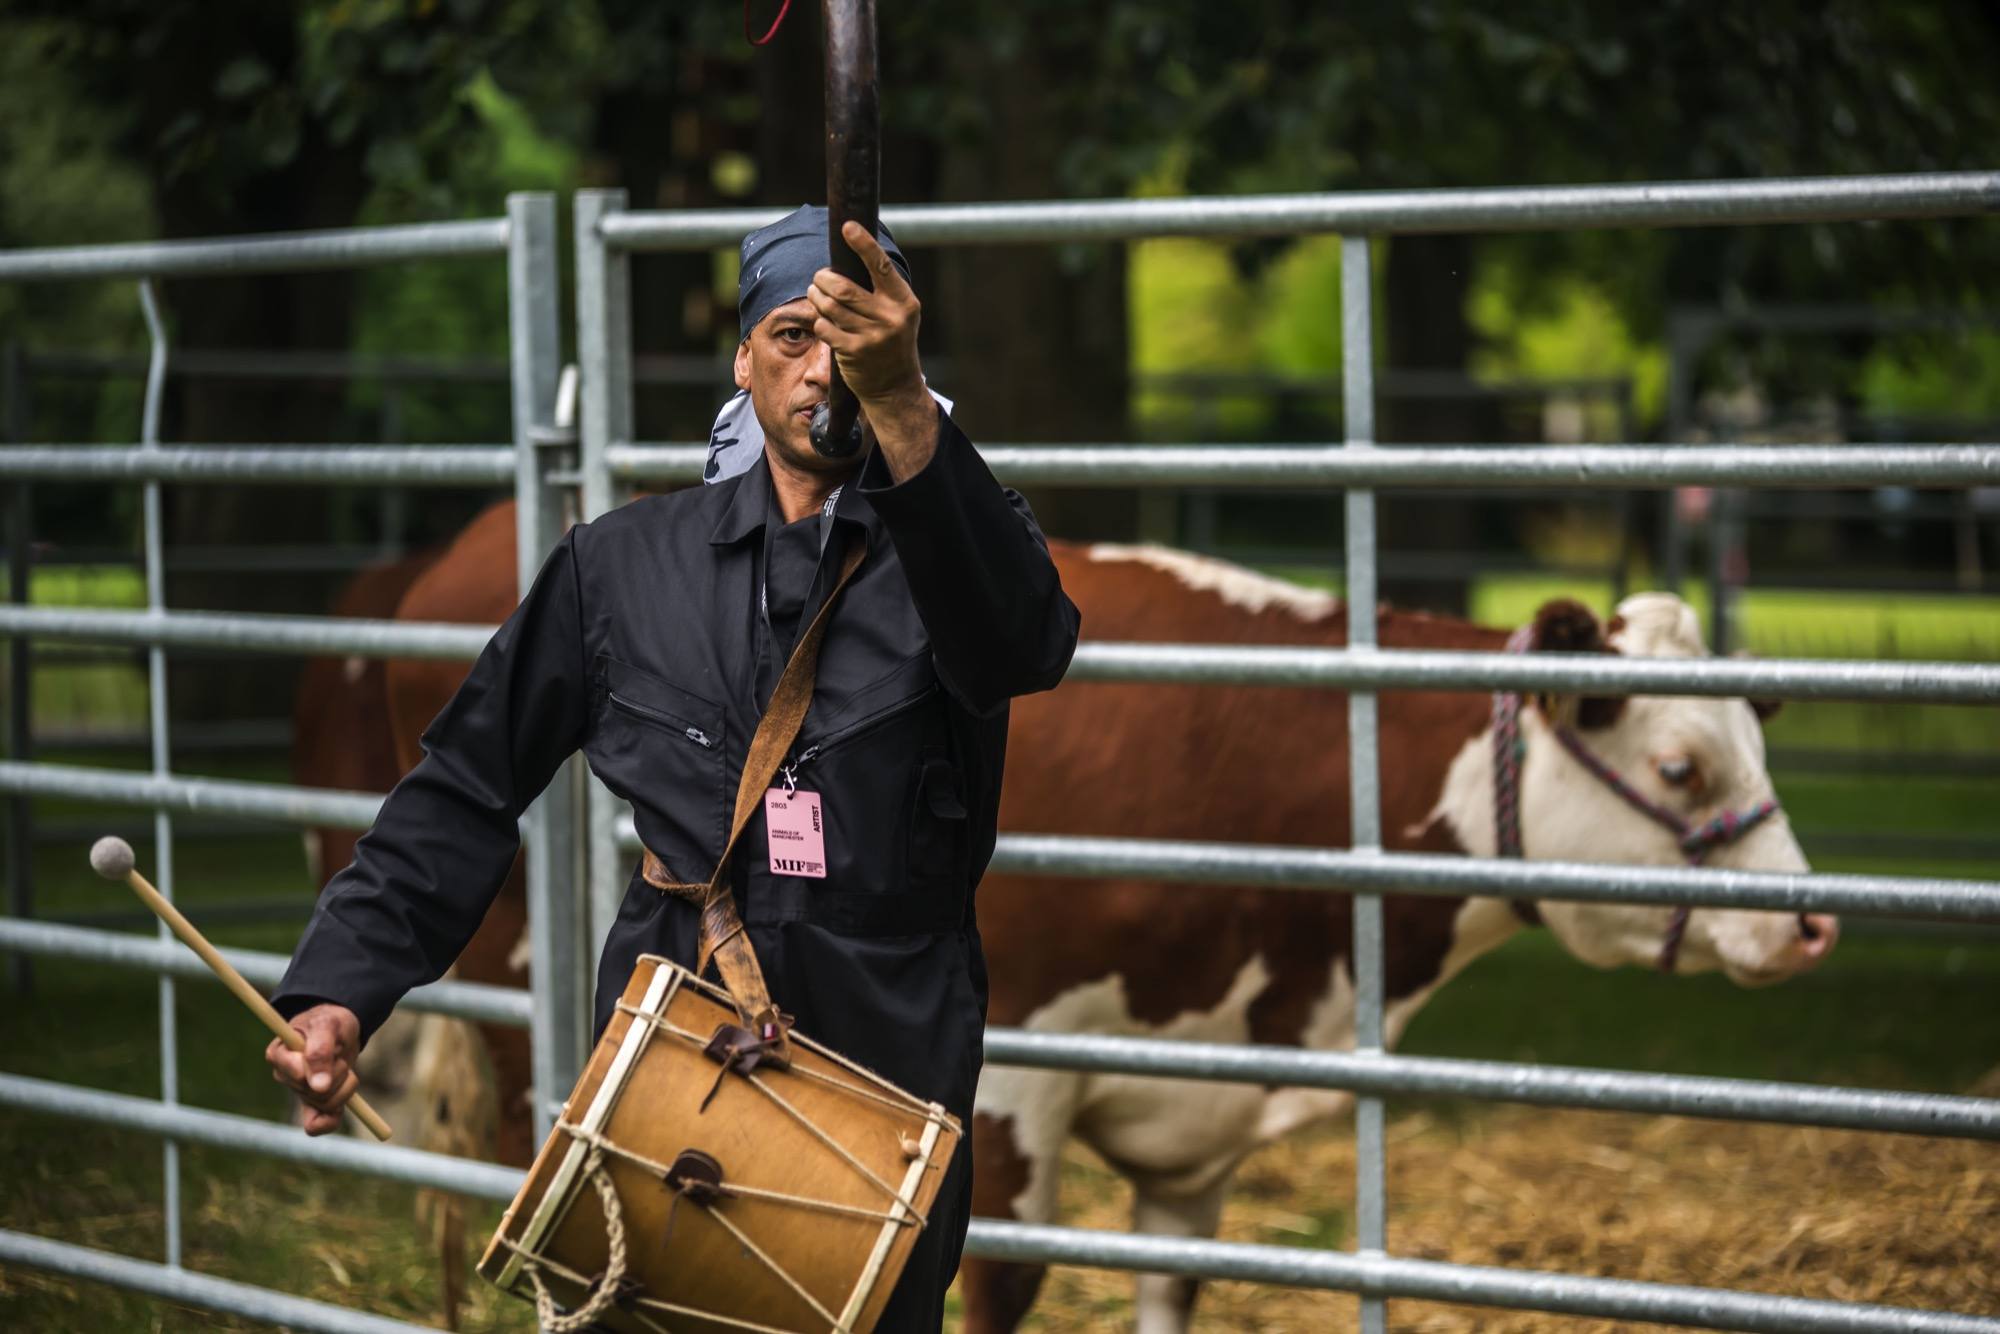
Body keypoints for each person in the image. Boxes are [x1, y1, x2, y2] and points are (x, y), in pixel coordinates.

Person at [265, 204, 1081, 1329]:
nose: (822, 369)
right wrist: (336, 991)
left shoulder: (960, 552)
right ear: (742, 357)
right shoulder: (619, 565)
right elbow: (466, 782)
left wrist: (897, 400)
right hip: (675, 1030)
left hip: (886, 1044)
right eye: (793, 334)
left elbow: (1024, 644)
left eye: (854, 341)